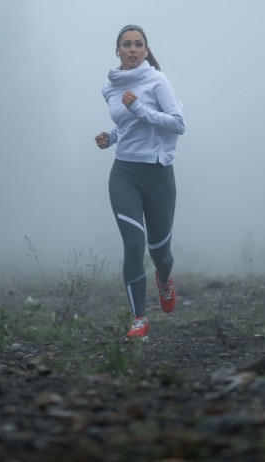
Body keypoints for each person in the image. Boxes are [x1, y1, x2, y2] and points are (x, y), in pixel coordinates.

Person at [94, 25, 186, 341]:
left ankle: (164, 278)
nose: (132, 49)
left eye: (138, 45)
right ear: (117, 51)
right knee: (133, 244)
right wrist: (112, 136)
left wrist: (140, 108)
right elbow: (129, 126)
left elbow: (178, 124)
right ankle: (139, 319)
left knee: (161, 253)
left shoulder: (157, 81)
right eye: (126, 45)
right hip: (124, 174)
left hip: (159, 176)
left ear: (146, 51)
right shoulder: (110, 86)